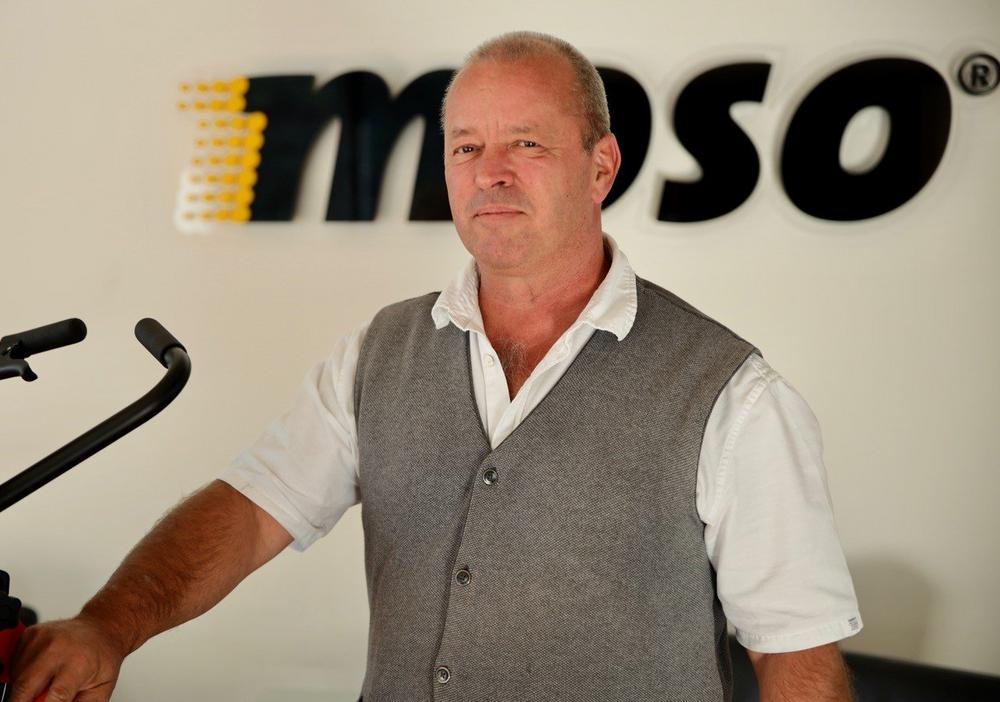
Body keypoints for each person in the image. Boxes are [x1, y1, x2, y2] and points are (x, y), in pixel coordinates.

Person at [11, 31, 862, 702]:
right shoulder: (380, 351)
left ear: (601, 165)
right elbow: (250, 509)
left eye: (527, 143)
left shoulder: (732, 395)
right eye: (465, 147)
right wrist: (107, 626)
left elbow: (795, 657)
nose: (491, 173)